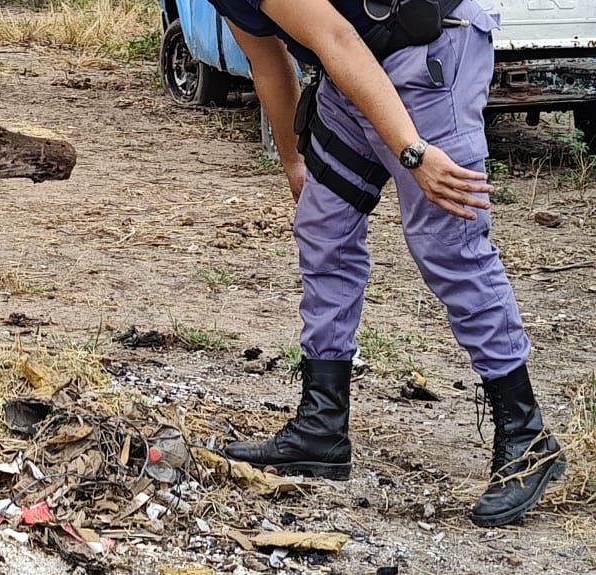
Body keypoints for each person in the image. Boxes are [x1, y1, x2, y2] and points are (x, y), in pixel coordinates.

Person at [205, 0, 565, 527]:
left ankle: (526, 435)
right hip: (354, 72)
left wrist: (412, 151)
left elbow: (337, 41)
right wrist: (292, 161)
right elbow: (266, 59)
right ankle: (322, 427)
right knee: (323, 227)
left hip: (429, 50)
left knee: (447, 242)